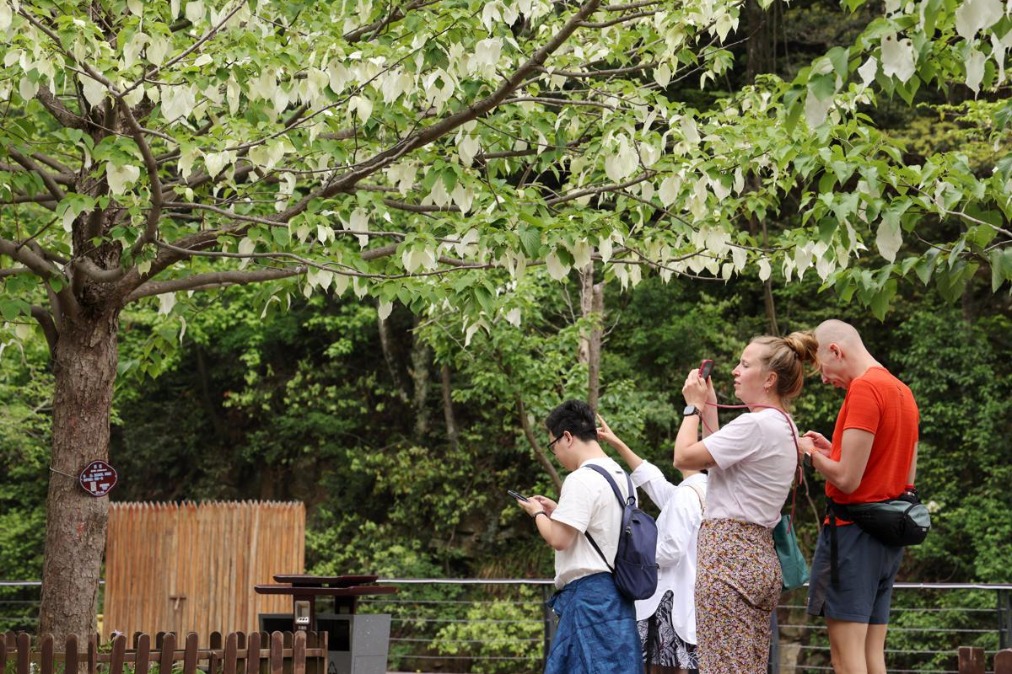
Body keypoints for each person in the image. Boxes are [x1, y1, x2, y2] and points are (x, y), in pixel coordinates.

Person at [674, 333, 818, 674]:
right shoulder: (782, 423)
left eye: (745, 364)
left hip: (728, 561)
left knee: (722, 668)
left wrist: (691, 407)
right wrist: (709, 405)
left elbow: (684, 457)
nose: (736, 371)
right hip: (758, 559)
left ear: (769, 379)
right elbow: (718, 456)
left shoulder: (755, 425)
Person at [800, 320, 919, 674]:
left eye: (822, 369)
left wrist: (809, 452)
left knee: (845, 659)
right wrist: (832, 449)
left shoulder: (864, 389)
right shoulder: (902, 391)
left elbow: (849, 479)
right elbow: (903, 477)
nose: (823, 380)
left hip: (852, 535)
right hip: (888, 537)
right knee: (871, 657)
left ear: (836, 351)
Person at [515, 399, 644, 674]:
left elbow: (559, 540)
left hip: (588, 601)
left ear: (568, 437)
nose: (556, 454)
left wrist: (537, 513)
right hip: (618, 597)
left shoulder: (581, 478)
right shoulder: (622, 476)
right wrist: (560, 511)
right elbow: (602, 528)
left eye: (553, 446)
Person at [597, 414, 707, 674]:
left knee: (665, 668)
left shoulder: (687, 496)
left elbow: (671, 550)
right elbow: (654, 482)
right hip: (685, 595)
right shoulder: (698, 490)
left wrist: (632, 550)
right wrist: (618, 445)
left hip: (668, 598)